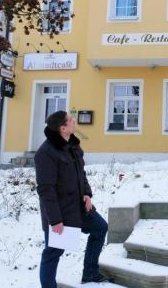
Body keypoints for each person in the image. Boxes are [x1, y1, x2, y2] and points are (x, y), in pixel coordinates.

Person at [35, 110, 109, 287]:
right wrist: (55, 220)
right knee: (53, 252)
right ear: (62, 128)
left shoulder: (73, 146)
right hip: (62, 213)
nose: (74, 121)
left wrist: (87, 193)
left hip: (80, 207)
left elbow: (81, 174)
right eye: (70, 120)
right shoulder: (46, 153)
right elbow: (46, 190)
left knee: (100, 228)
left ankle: (90, 273)